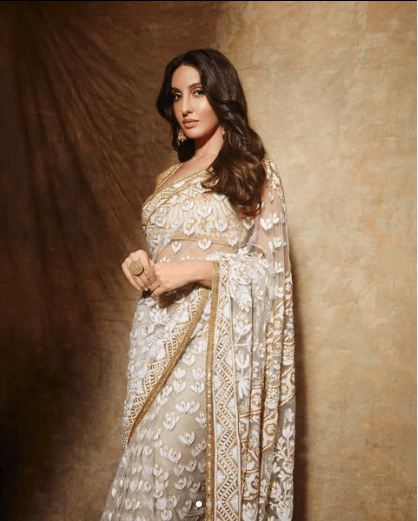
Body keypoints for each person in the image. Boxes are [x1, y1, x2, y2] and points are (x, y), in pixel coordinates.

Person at [100, 48, 295, 521]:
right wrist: (143, 264)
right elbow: (166, 253)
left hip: (212, 350)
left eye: (198, 92)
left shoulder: (252, 170)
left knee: (171, 477)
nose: (184, 108)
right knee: (144, 473)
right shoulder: (169, 177)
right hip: (154, 338)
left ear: (221, 96)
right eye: (176, 96)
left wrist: (192, 271)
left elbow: (271, 274)